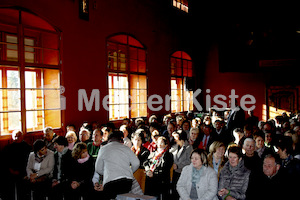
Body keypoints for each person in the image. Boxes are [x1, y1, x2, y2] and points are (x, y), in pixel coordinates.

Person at [95, 131, 140, 200]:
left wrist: (108, 172)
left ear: (109, 140)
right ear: (120, 140)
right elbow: (136, 163)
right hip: (127, 182)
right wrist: (129, 172)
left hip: (110, 183)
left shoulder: (103, 149)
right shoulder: (126, 148)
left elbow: (98, 169)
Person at [1, 130, 32, 200]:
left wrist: (21, 171)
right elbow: (4, 161)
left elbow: (29, 161)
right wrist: (11, 170)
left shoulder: (27, 147)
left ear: (22, 137)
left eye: (19, 136)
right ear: (12, 137)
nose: (17, 138)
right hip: (10, 172)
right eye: (15, 136)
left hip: (24, 172)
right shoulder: (8, 148)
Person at [169, 130, 193, 199]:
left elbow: (189, 161)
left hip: (182, 173)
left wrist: (178, 165)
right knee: (173, 191)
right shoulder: (175, 146)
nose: (174, 139)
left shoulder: (189, 147)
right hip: (174, 173)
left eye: (176, 137)